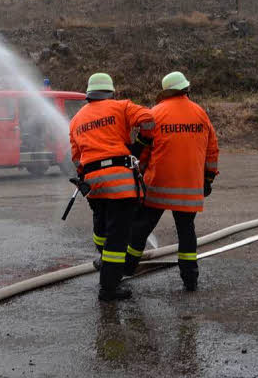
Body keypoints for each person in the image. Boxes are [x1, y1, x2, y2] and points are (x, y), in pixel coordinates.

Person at [125, 71, 218, 291]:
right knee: (186, 231)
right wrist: (208, 178)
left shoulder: (155, 113)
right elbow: (212, 149)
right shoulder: (200, 113)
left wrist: (138, 174)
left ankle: (126, 268)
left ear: (165, 92)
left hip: (158, 185)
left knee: (141, 228)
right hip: (189, 187)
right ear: (185, 89)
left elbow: (143, 151)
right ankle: (190, 278)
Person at [69, 73, 154, 301]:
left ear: (89, 94)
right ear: (110, 92)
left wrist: (85, 175)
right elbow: (148, 119)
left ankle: (103, 259)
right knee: (118, 236)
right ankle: (109, 288)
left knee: (102, 224)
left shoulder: (76, 119)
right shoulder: (121, 107)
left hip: (93, 184)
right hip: (120, 184)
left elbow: (76, 158)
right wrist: (140, 145)